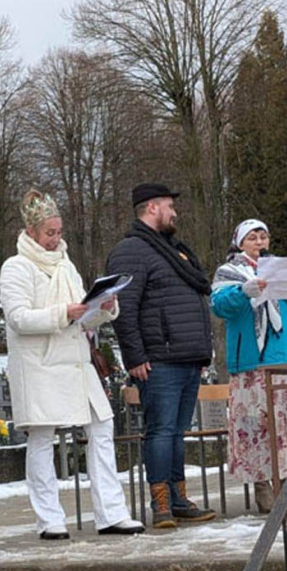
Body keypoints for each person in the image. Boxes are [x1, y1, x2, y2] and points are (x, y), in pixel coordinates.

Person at [0, 189, 144, 540]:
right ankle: (49, 519)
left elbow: (82, 316)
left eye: (59, 232)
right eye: (49, 233)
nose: (56, 239)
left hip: (76, 363)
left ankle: (111, 512)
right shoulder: (16, 267)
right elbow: (18, 318)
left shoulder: (66, 265)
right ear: (31, 231)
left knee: (101, 428)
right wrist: (64, 313)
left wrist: (103, 309)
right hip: (40, 366)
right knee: (42, 437)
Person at [105, 183, 216, 529]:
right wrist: (134, 356)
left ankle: (179, 497)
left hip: (186, 356)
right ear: (152, 207)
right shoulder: (132, 251)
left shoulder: (171, 250)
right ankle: (161, 502)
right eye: (169, 206)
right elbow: (124, 308)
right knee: (162, 430)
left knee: (178, 431)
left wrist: (200, 351)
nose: (174, 213)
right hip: (159, 358)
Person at [210, 219, 287, 513]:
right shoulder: (228, 272)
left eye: (263, 236)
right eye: (252, 237)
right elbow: (220, 306)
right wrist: (245, 291)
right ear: (240, 243)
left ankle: (286, 485)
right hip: (251, 360)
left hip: (283, 357)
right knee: (257, 424)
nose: (259, 242)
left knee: (285, 424)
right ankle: (262, 486)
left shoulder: (279, 268)